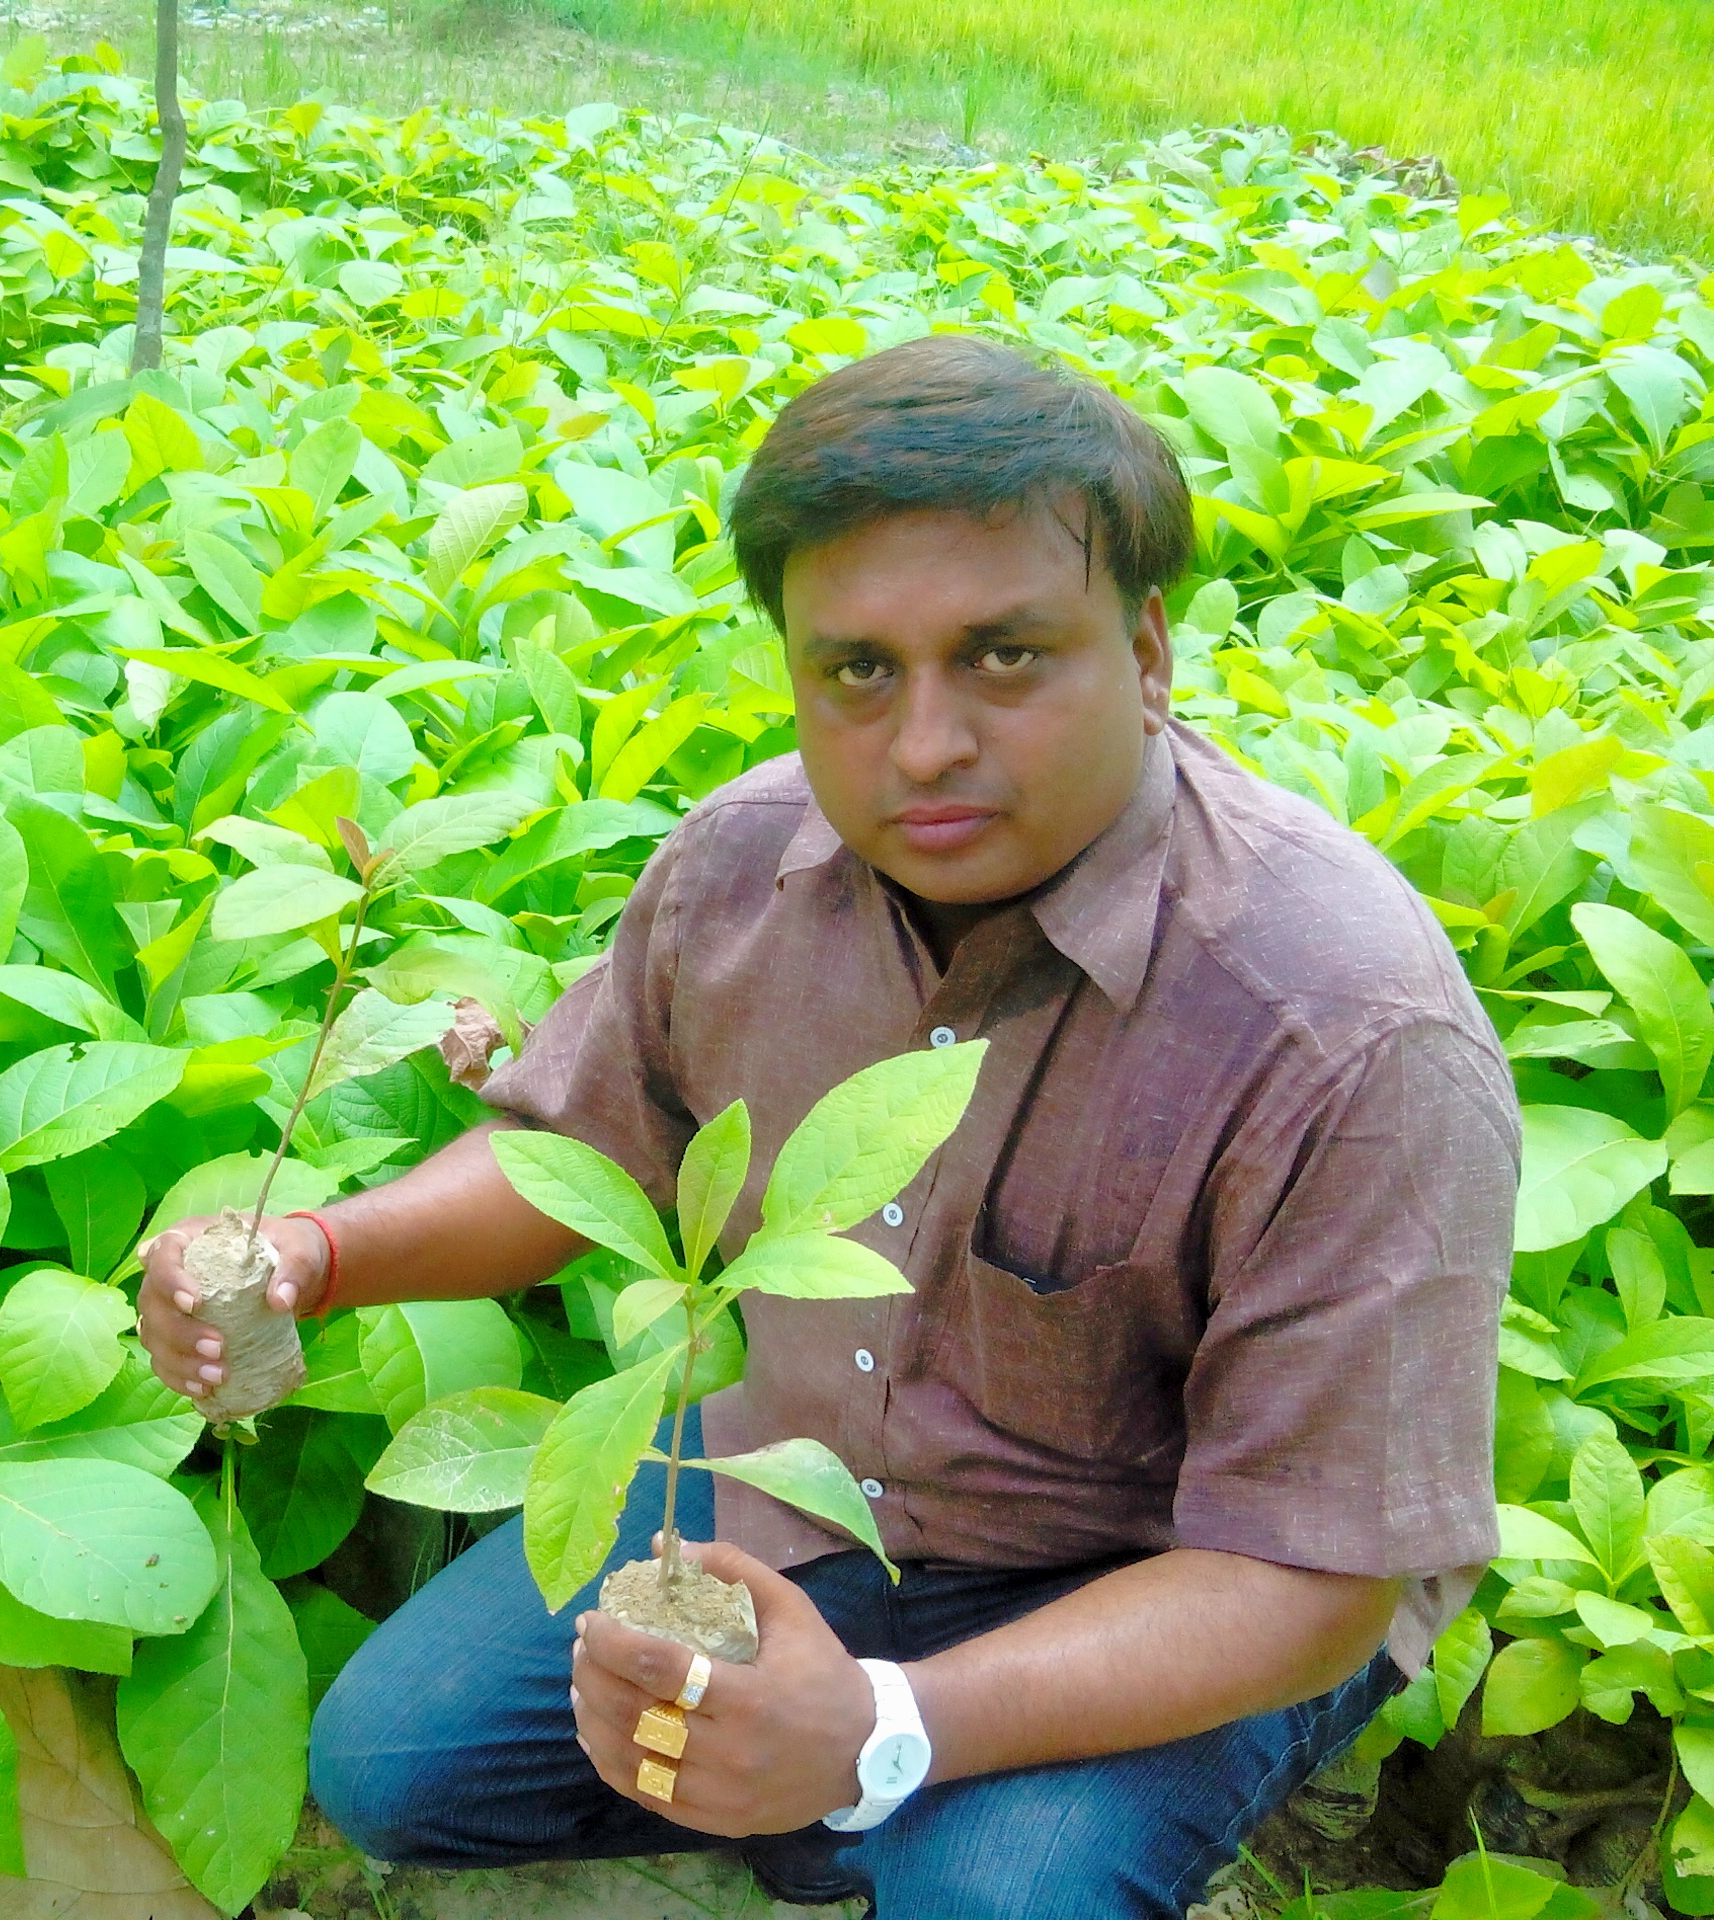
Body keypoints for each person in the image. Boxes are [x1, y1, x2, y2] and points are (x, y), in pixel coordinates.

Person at [141, 334, 1516, 1917]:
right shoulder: (740, 873)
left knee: (994, 1905)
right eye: (858, 670)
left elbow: (1313, 1580)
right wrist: (316, 1255)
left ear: (1147, 652)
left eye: (1005, 657)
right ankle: (830, 1801)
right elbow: (581, 1161)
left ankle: (913, 1803)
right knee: (398, 1761)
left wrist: (876, 1730)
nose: (924, 744)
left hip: (1155, 1575)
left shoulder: (1344, 1030)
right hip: (798, 1488)